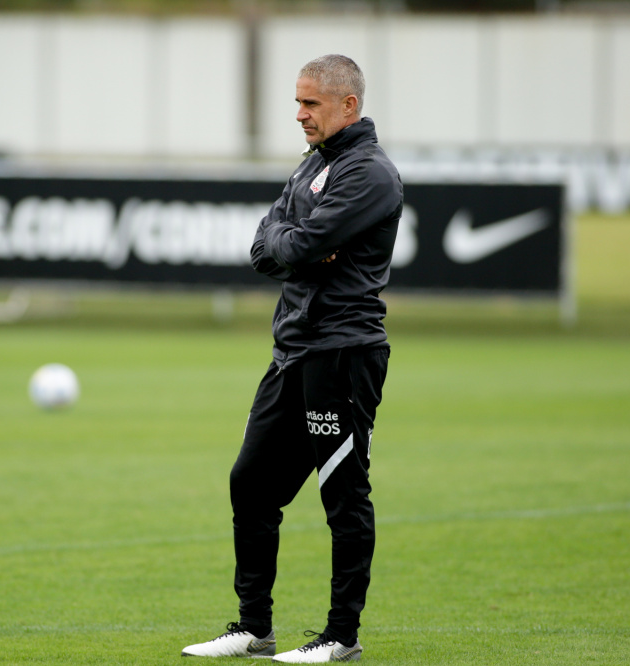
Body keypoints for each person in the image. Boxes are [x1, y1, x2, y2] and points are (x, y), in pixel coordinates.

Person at [181, 54, 403, 663]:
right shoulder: (313, 166)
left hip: (343, 354)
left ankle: (341, 636)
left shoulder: (372, 174)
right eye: (298, 102)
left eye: (311, 104)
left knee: (343, 493)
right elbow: (266, 246)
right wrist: (298, 244)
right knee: (250, 484)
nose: (299, 114)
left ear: (348, 106)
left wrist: (299, 242)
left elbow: (300, 241)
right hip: (292, 351)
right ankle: (254, 628)